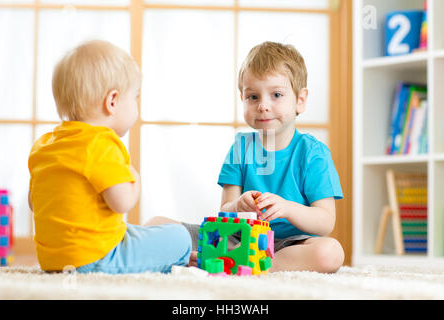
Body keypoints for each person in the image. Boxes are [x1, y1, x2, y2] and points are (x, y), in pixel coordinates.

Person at [146, 41, 344, 273]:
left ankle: (242, 264)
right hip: (236, 239)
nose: (263, 106)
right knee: (154, 225)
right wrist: (238, 205)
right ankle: (227, 258)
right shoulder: (241, 147)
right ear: (242, 98)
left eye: (276, 94)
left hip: (289, 245)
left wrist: (288, 208)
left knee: (330, 253)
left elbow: (325, 222)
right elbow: (225, 211)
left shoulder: (313, 153)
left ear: (300, 100)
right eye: (253, 97)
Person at [28, 40, 191, 274]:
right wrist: (134, 179)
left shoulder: (44, 146)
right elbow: (122, 202)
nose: (136, 105)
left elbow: (34, 203)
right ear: (112, 101)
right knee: (179, 236)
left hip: (52, 260)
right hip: (96, 259)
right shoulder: (100, 142)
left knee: (137, 231)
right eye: (135, 97)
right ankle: (176, 256)